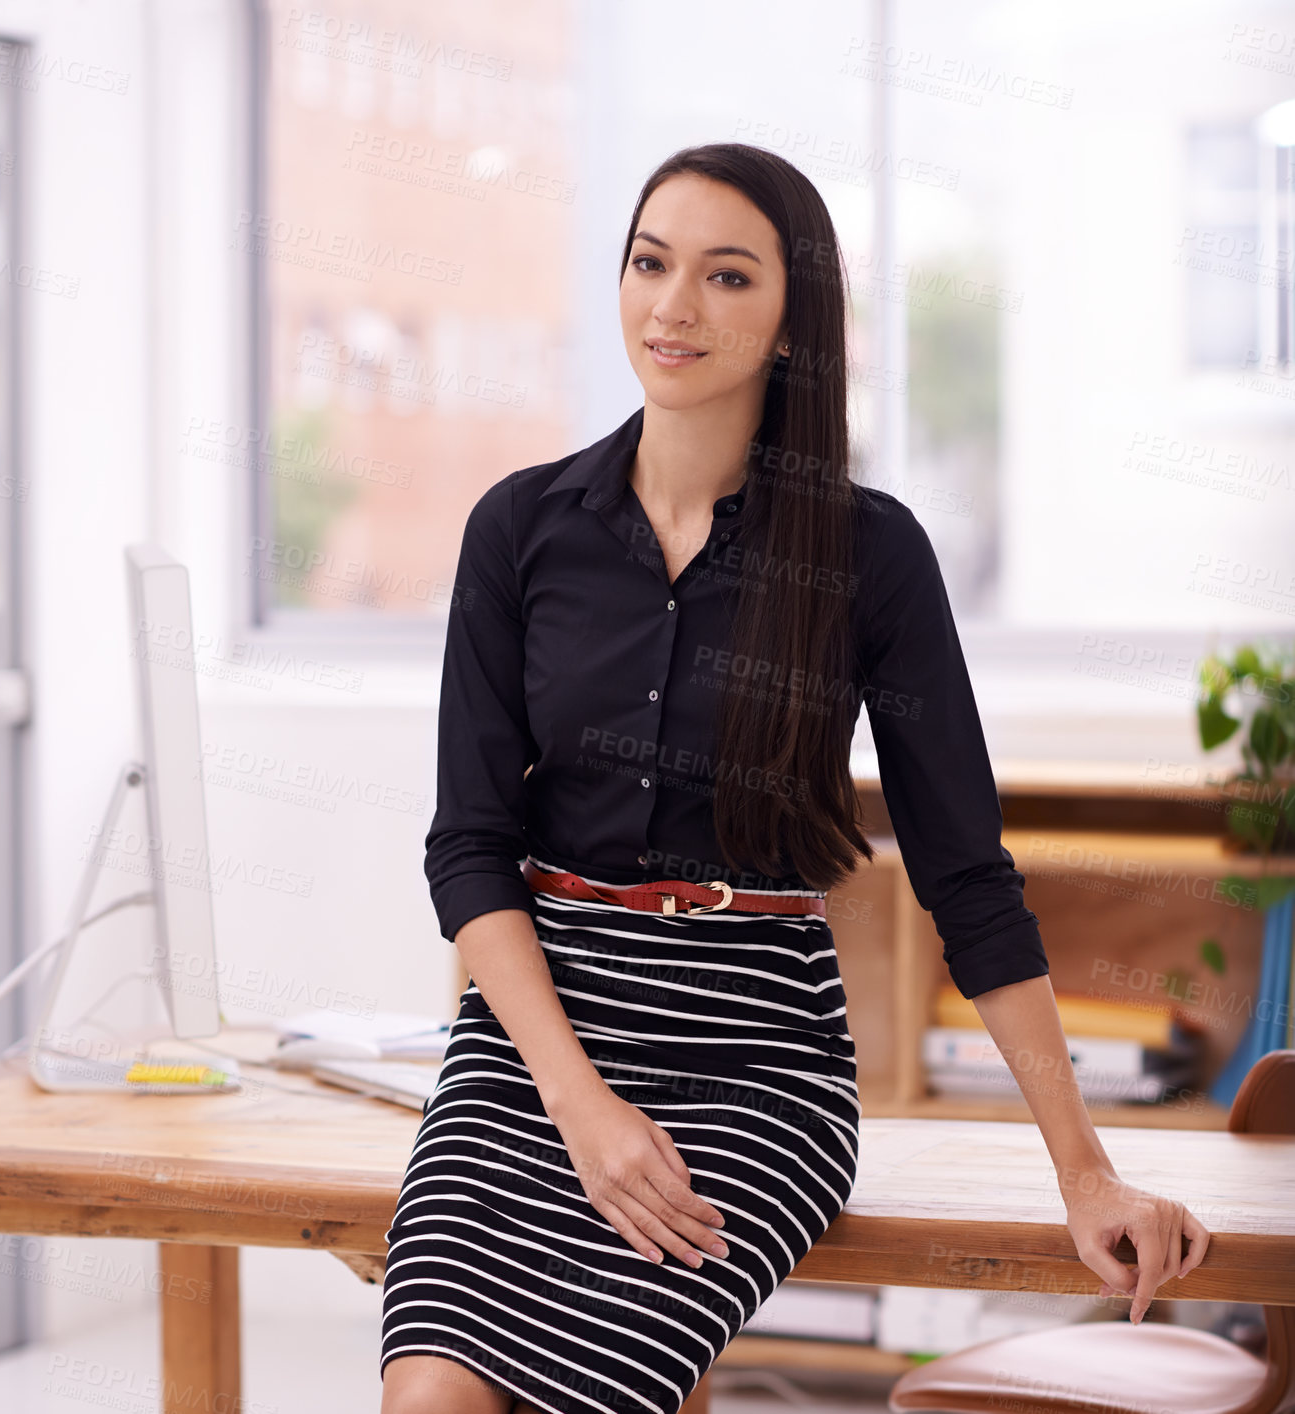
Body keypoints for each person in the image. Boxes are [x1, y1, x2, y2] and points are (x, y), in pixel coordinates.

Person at [379, 142, 1210, 1414]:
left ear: (791, 320)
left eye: (725, 277)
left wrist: (1085, 1171)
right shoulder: (518, 528)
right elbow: (469, 845)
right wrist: (580, 1103)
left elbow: (966, 877)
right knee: (432, 1395)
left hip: (753, 1053)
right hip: (535, 1045)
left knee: (594, 1388)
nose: (674, 306)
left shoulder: (869, 555)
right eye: (651, 264)